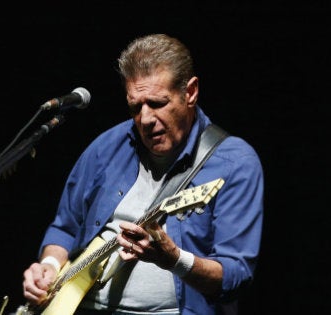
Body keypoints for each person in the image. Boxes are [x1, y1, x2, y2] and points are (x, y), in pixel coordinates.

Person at [20, 33, 264, 315]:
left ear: (191, 92)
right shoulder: (106, 147)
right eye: (136, 107)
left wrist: (174, 259)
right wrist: (48, 267)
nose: (146, 119)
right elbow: (65, 227)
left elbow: (236, 275)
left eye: (158, 103)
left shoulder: (234, 162)